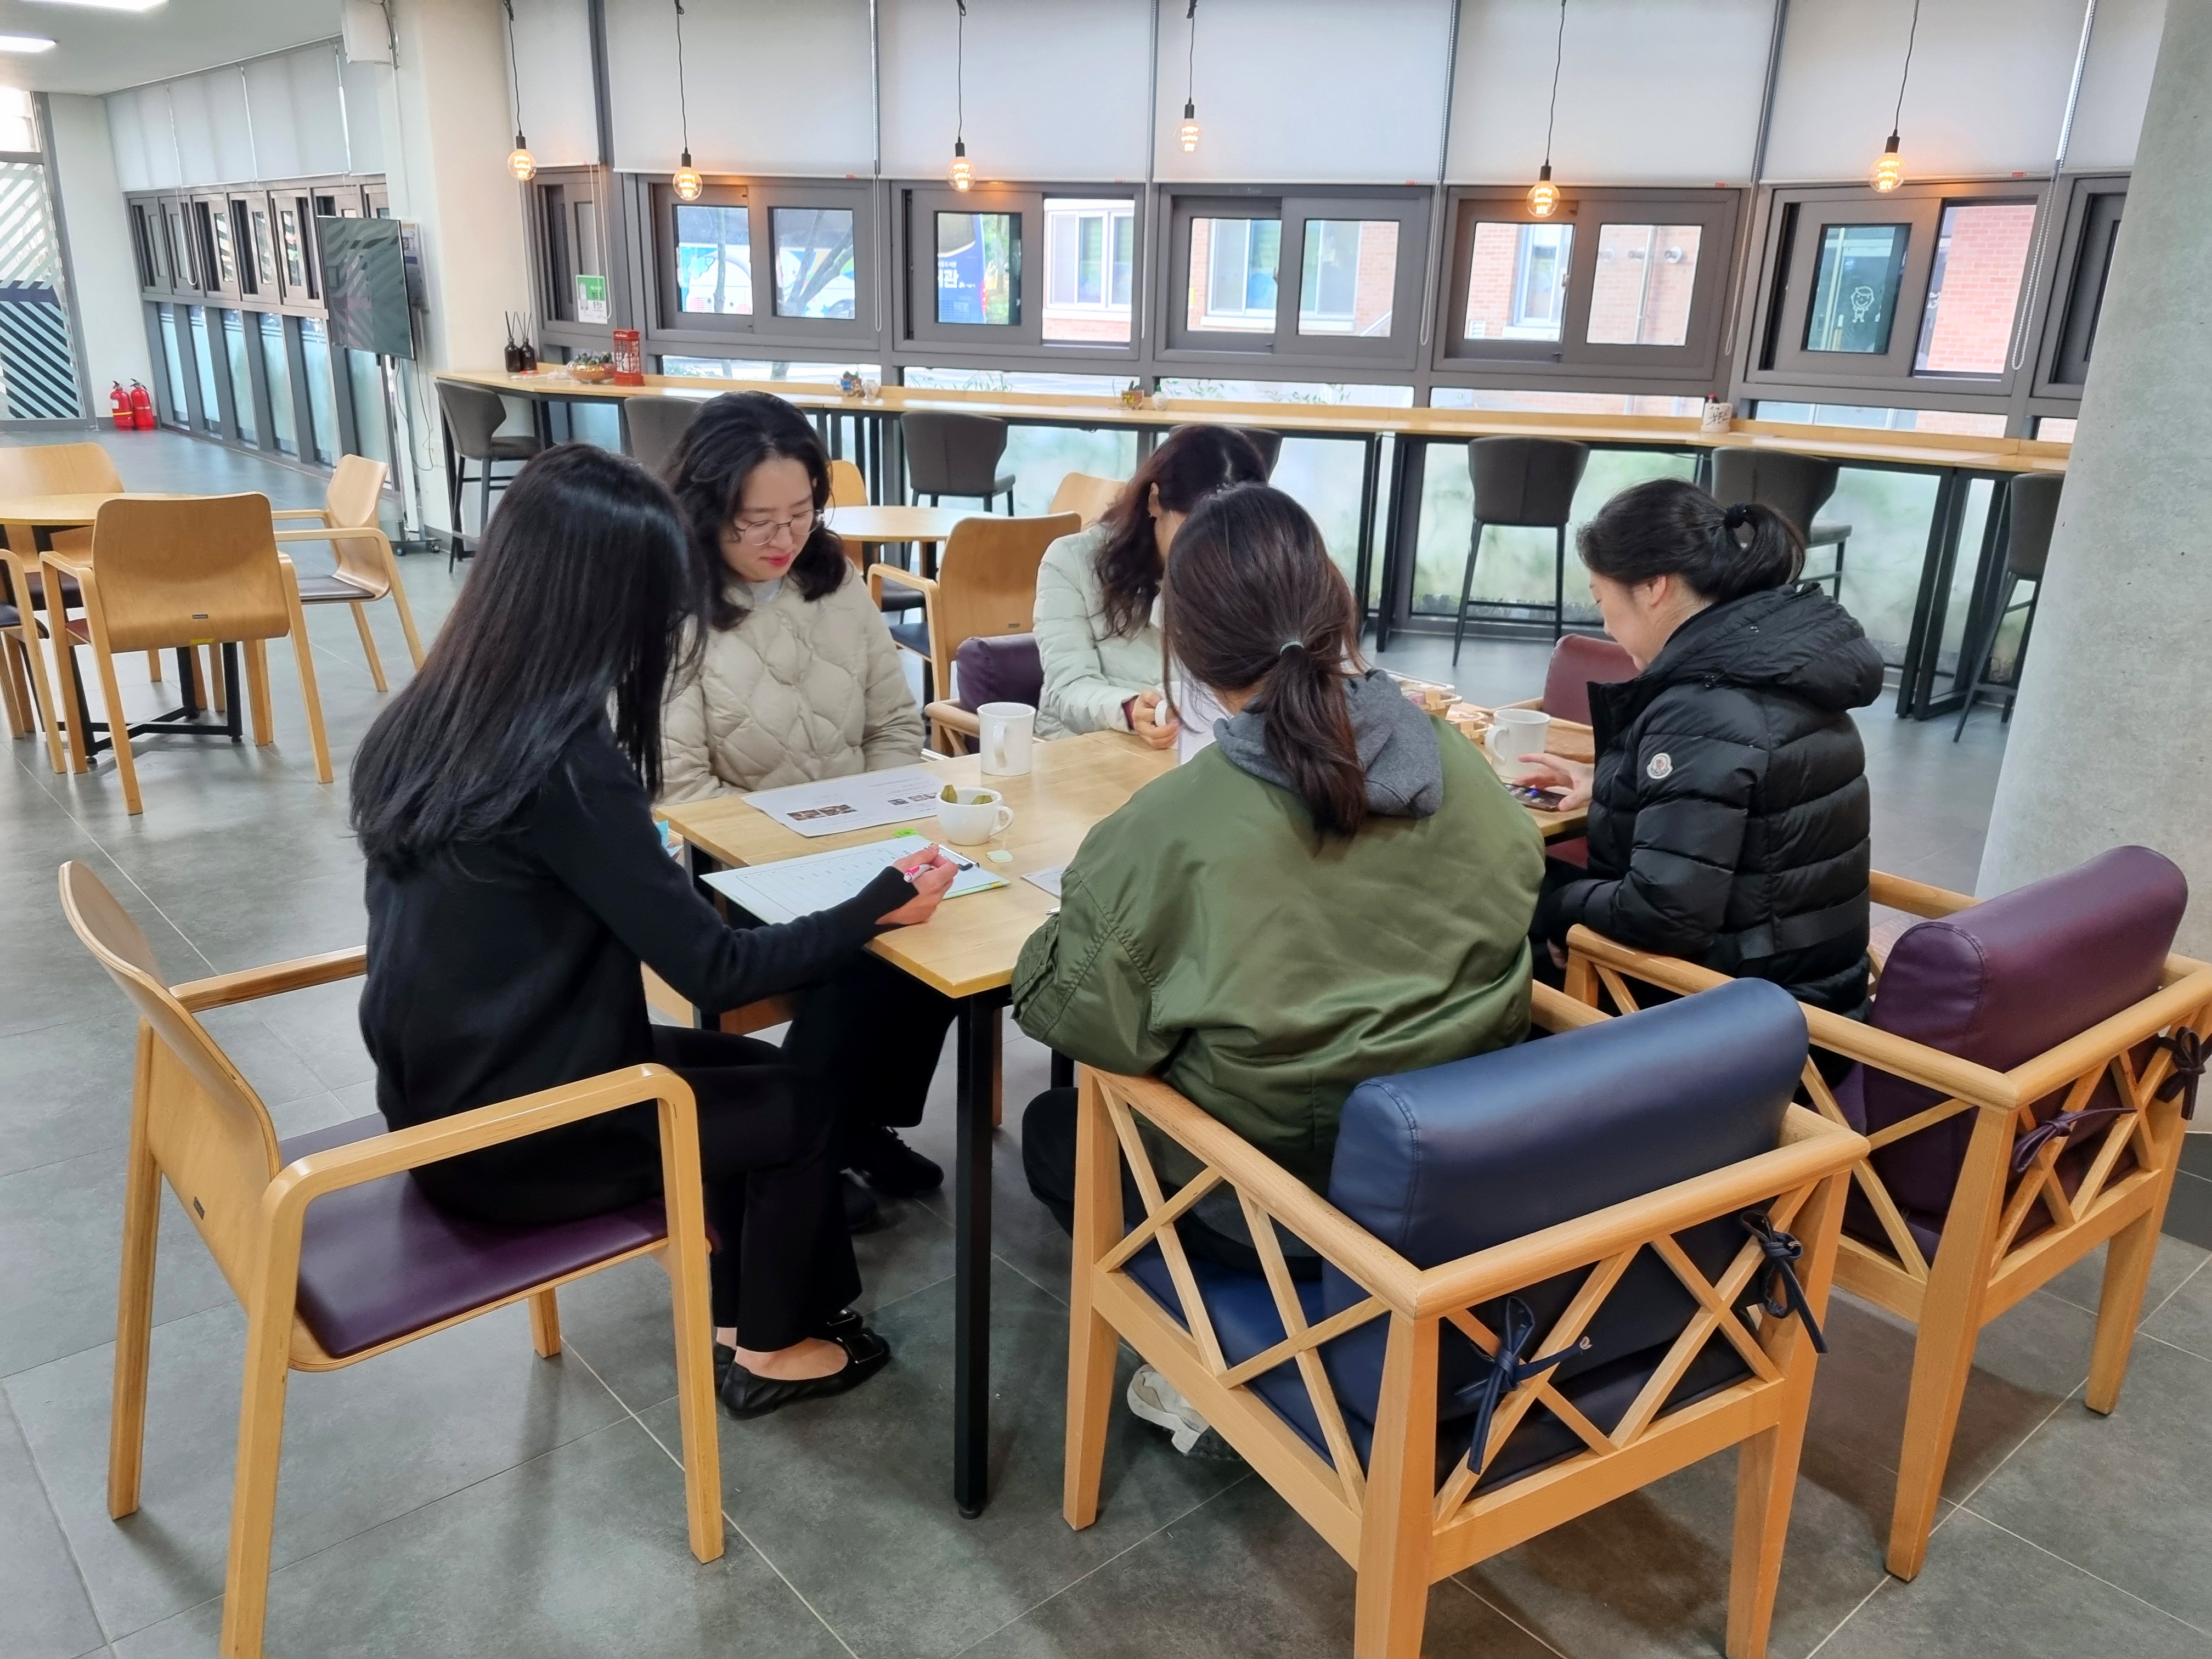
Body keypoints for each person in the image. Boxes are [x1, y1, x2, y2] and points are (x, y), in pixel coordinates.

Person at [352, 443, 960, 1419]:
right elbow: (713, 968)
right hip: (518, 1138)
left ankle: (748, 1313)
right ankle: (770, 1349)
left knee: (769, 1076)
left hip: (450, 1092)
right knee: (800, 1108)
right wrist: (872, 905)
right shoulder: (561, 761)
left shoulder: (439, 712)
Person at [1013, 483, 1543, 1455]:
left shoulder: (1173, 826)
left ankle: (1209, 1365)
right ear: (1337, 605)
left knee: (1055, 1128)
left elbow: (1071, 1014)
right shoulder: (1460, 767)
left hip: (1282, 1212)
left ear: (1185, 646)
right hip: (1471, 1171)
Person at [657, 392, 953, 1228]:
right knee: (867, 943)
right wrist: (817, 863)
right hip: (727, 867)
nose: (783, 539)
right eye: (757, 522)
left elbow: (894, 726)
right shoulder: (669, 606)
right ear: (706, 508)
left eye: (800, 514)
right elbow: (680, 789)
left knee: (938, 908)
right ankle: (805, 1153)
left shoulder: (837, 582)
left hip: (853, 839)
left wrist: (884, 829)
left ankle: (856, 1121)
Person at [1517, 477, 1884, 1015]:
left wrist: (1556, 908)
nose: (1605, 623)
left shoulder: (1704, 705)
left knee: (1504, 911)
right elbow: (1748, 803)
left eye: (1601, 598)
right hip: (1813, 987)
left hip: (1741, 1023)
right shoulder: (1780, 662)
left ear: (1653, 587)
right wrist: (1618, 783)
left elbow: (1663, 914)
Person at [1032, 424, 1269, 747]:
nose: (1212, 551)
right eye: (1195, 529)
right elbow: (1068, 688)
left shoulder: (1248, 568)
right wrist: (1129, 710)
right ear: (1155, 501)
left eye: (1230, 537)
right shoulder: (1071, 561)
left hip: (1194, 750)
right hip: (1084, 746)